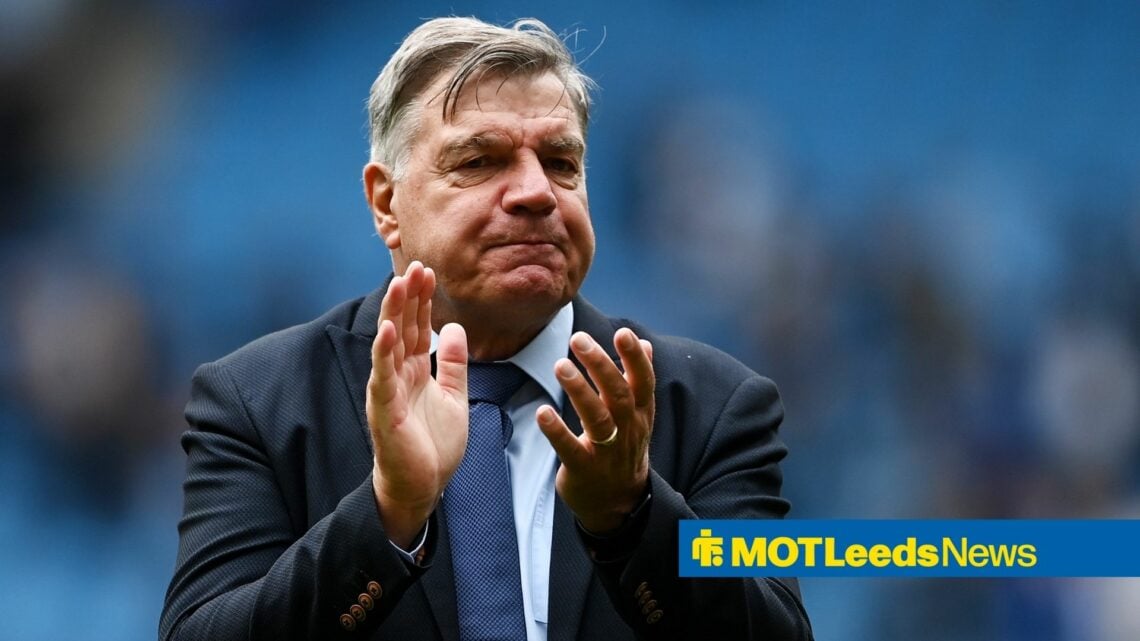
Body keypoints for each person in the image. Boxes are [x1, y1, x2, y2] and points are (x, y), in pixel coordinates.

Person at [159, 16, 812, 641]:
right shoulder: (258, 403)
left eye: (561, 162)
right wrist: (387, 513)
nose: (536, 191)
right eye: (479, 161)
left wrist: (633, 518)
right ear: (387, 202)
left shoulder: (711, 406)